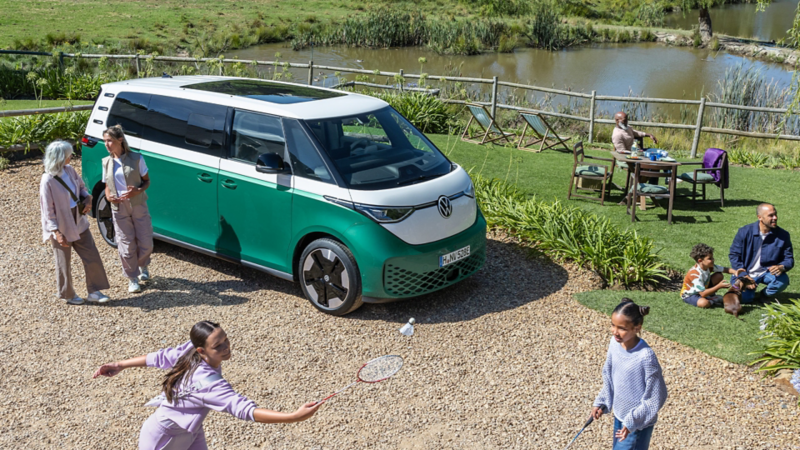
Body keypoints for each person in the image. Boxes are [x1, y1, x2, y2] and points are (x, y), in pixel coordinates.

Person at [93, 321, 320, 450]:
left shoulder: (191, 350)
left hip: (190, 431)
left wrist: (121, 364)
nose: (226, 348)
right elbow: (243, 409)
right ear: (202, 350)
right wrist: (292, 417)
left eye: (225, 340)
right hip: (163, 439)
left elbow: (158, 358)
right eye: (218, 346)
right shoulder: (208, 383)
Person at [39, 140, 111, 305]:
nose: (71, 156)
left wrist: (88, 198)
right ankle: (67, 294)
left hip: (78, 219)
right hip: (61, 225)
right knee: (63, 262)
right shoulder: (47, 180)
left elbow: (82, 188)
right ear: (59, 157)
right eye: (68, 155)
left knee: (92, 255)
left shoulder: (70, 170)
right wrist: (56, 232)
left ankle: (94, 291)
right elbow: (47, 211)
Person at [591, 299, 668, 450]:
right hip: (620, 415)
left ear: (637, 328)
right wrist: (602, 401)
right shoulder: (614, 344)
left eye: (622, 328)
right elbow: (609, 376)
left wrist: (632, 421)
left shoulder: (646, 357)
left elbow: (656, 397)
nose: (615, 331)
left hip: (638, 423)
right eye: (613, 325)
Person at [102, 125, 153, 294]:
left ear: (120, 140)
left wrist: (137, 190)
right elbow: (107, 186)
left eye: (109, 141)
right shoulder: (106, 162)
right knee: (125, 243)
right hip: (118, 208)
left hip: (138, 203)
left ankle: (143, 265)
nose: (107, 144)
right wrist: (109, 197)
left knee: (145, 242)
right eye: (105, 141)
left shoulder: (137, 158)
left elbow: (147, 181)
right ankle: (132, 278)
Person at [729, 203, 793, 303]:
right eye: (771, 215)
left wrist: (782, 266)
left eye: (775, 214)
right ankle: (747, 291)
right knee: (745, 299)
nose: (775, 218)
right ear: (760, 217)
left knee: (782, 281)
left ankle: (764, 294)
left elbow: (789, 258)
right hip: (746, 272)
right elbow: (734, 255)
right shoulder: (744, 232)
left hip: (766, 272)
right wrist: (744, 276)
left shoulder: (783, 235)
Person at [680, 243, 744, 308]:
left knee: (719, 275)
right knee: (704, 303)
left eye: (712, 257)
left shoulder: (709, 266)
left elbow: (725, 269)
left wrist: (735, 272)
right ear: (700, 260)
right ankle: (712, 300)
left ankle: (710, 296)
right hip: (691, 295)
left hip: (703, 288)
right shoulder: (695, 274)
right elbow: (703, 293)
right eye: (710, 258)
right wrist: (719, 286)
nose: (713, 260)